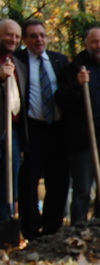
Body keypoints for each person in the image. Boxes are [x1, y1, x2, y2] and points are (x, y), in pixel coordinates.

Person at [55, 27, 100, 225]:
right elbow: (61, 99)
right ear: (87, 44)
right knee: (83, 189)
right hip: (83, 138)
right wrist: (77, 85)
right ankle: (78, 228)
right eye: (95, 42)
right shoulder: (73, 69)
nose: (99, 46)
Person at [14, 19, 70, 239]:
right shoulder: (18, 61)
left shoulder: (60, 60)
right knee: (29, 180)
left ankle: (52, 228)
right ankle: (30, 231)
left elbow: (68, 94)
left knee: (59, 180)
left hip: (57, 128)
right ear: (25, 40)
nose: (39, 39)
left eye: (42, 35)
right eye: (33, 36)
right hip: (32, 129)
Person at [0, 19, 25, 225]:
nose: (13, 39)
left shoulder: (17, 62)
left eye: (17, 36)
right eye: (9, 35)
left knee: (9, 182)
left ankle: (6, 225)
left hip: (12, 131)